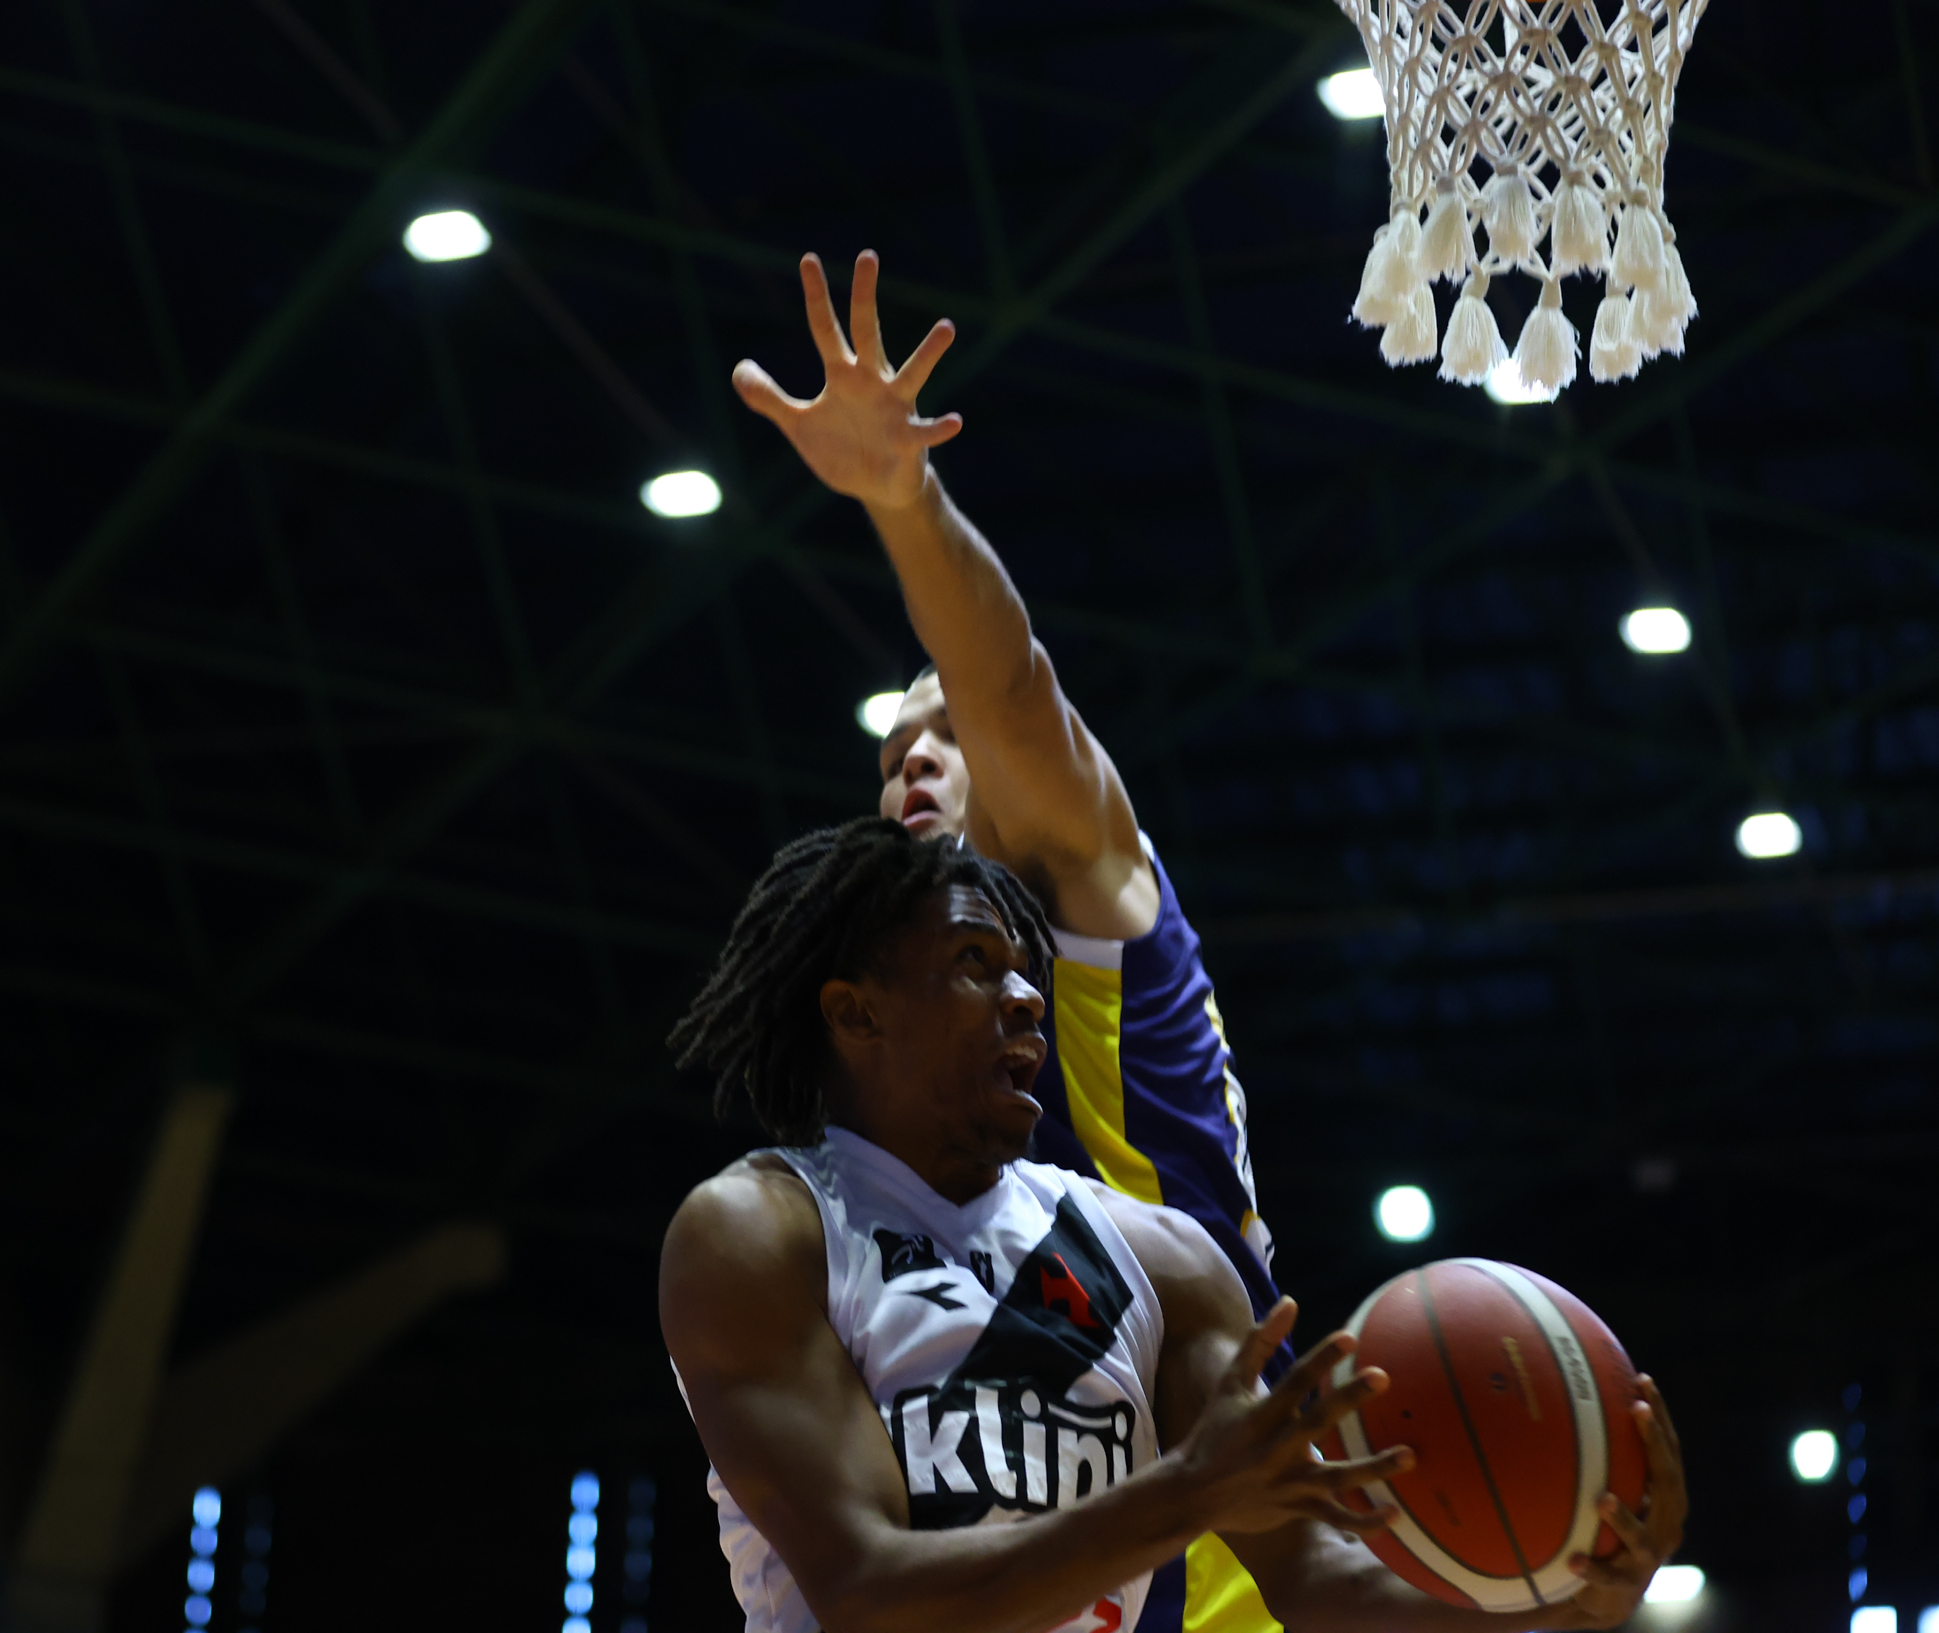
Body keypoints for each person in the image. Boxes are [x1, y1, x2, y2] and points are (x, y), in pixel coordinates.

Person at [661, 818, 1686, 1633]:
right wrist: (1186, 1492)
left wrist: (1561, 1600)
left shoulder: (1161, 1256)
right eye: (974, 961)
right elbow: (870, 1595)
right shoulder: (759, 1233)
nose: (1024, 998)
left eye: (1026, 970)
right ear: (856, 1013)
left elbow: (1311, 1574)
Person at [734, 249, 1282, 1633]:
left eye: (942, 736)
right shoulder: (876, 1100)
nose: (910, 761)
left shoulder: (1100, 898)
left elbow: (1010, 683)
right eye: (888, 756)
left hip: (1206, 1574)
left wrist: (900, 497)